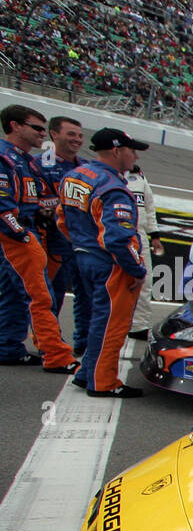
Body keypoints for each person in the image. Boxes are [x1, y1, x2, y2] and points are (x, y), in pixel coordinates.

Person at [57, 128, 152, 396]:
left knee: (97, 321)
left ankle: (87, 373)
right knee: (112, 325)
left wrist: (80, 246)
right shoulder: (113, 187)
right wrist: (137, 270)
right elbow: (118, 239)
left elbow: (61, 219)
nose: (134, 155)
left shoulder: (75, 175)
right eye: (131, 150)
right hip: (110, 264)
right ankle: (104, 382)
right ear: (116, 151)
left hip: (83, 257)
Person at [0, 104, 77, 371]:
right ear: (14, 126)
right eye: (36, 128)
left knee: (13, 294)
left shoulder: (27, 160)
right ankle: (56, 356)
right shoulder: (4, 157)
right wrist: (21, 235)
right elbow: (3, 206)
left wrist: (47, 210)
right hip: (15, 236)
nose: (42, 134)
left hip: (26, 230)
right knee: (40, 297)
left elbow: (37, 198)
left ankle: (8, 347)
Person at [38, 115, 91, 355]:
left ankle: (84, 341)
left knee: (87, 295)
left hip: (83, 242)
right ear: (54, 134)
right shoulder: (39, 165)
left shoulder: (87, 168)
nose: (77, 140)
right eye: (71, 134)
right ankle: (47, 343)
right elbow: (34, 202)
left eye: (79, 135)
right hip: (54, 242)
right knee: (52, 295)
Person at [125, 162, 163, 339]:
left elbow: (149, 207)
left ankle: (139, 325)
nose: (135, 156)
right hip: (117, 235)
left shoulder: (139, 176)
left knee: (145, 280)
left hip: (140, 236)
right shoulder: (107, 175)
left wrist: (154, 235)